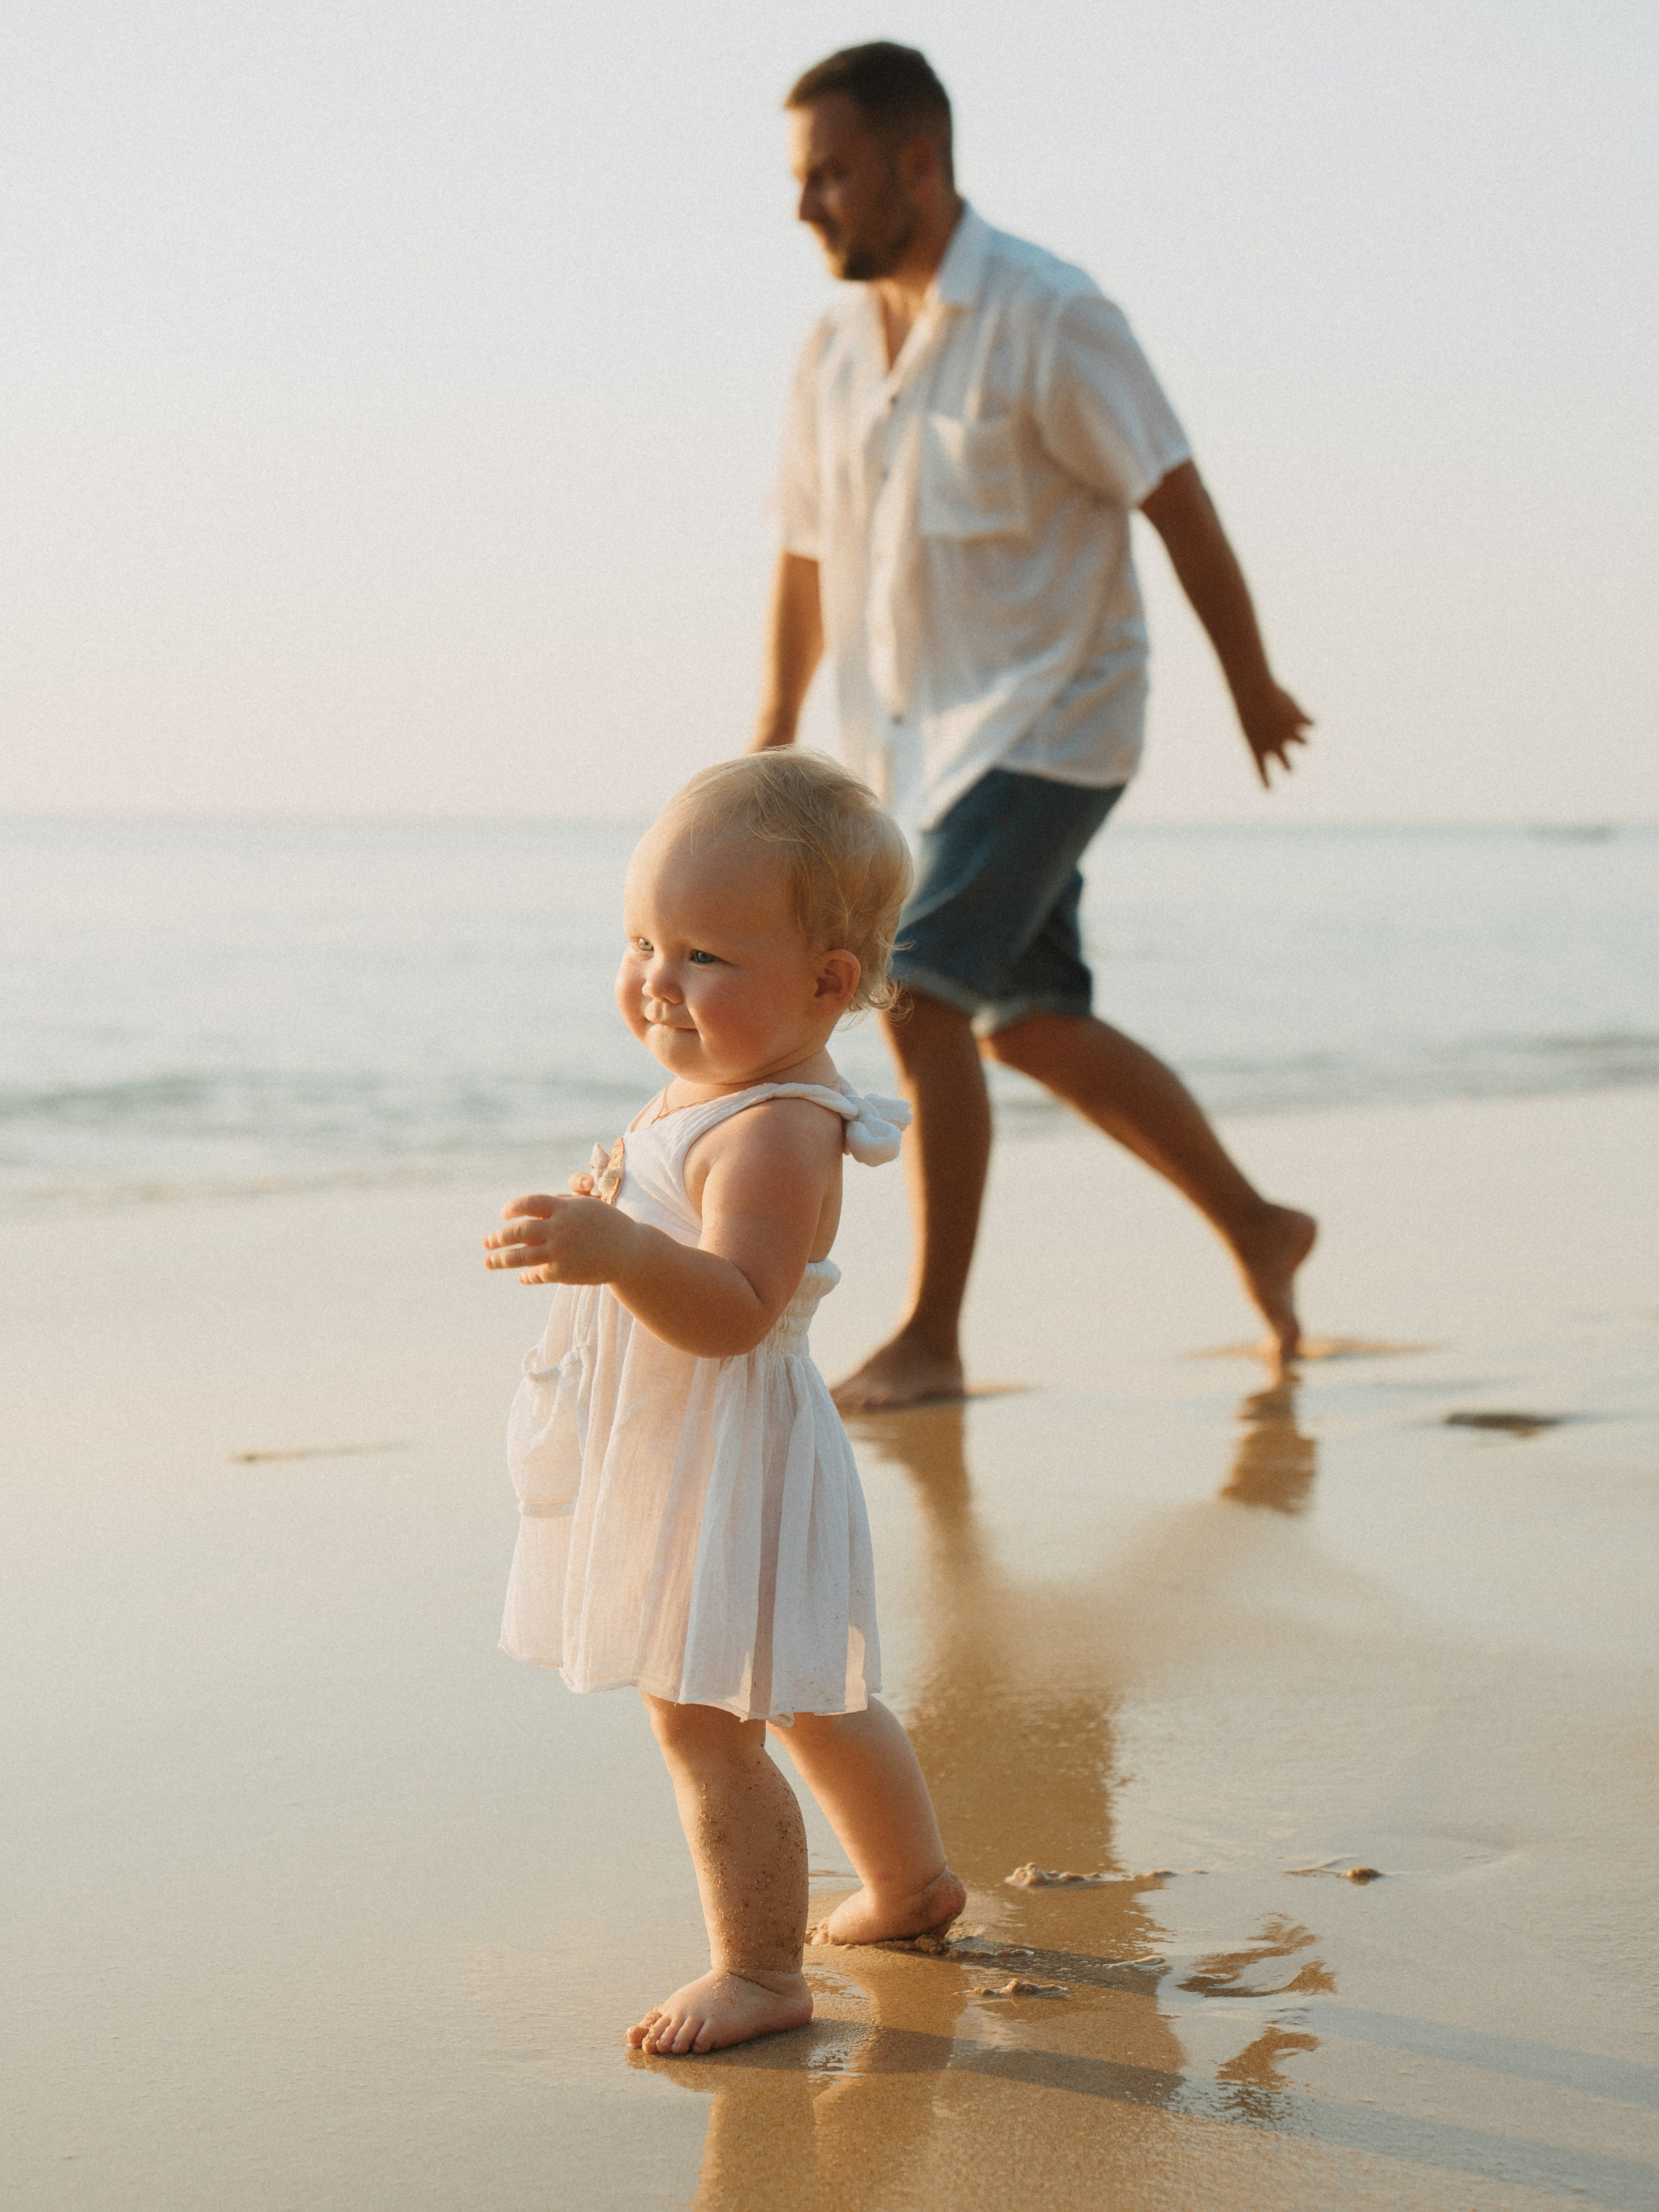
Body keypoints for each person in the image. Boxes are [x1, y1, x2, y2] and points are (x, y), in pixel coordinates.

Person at [756, 42, 1318, 1410]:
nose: (805, 206)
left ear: (916, 163)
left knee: (923, 996)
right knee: (1028, 1025)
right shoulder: (831, 351)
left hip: (1055, 723)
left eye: (828, 174)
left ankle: (932, 1341)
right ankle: (1257, 1225)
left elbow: (1171, 498)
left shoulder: (1048, 315)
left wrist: (1248, 679)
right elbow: (805, 557)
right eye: (797, 178)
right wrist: (771, 732)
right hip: (917, 753)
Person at [483, 751, 965, 2056]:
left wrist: (622, 1254)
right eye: (641, 941)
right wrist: (608, 1213)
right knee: (809, 1690)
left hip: (729, 1448)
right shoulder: (712, 1091)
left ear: (825, 983)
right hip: (699, 1444)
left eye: (701, 954)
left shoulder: (776, 1125)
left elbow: (737, 1303)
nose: (655, 979)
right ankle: (908, 1884)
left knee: (700, 1714)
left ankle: (759, 1971)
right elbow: (666, 1214)